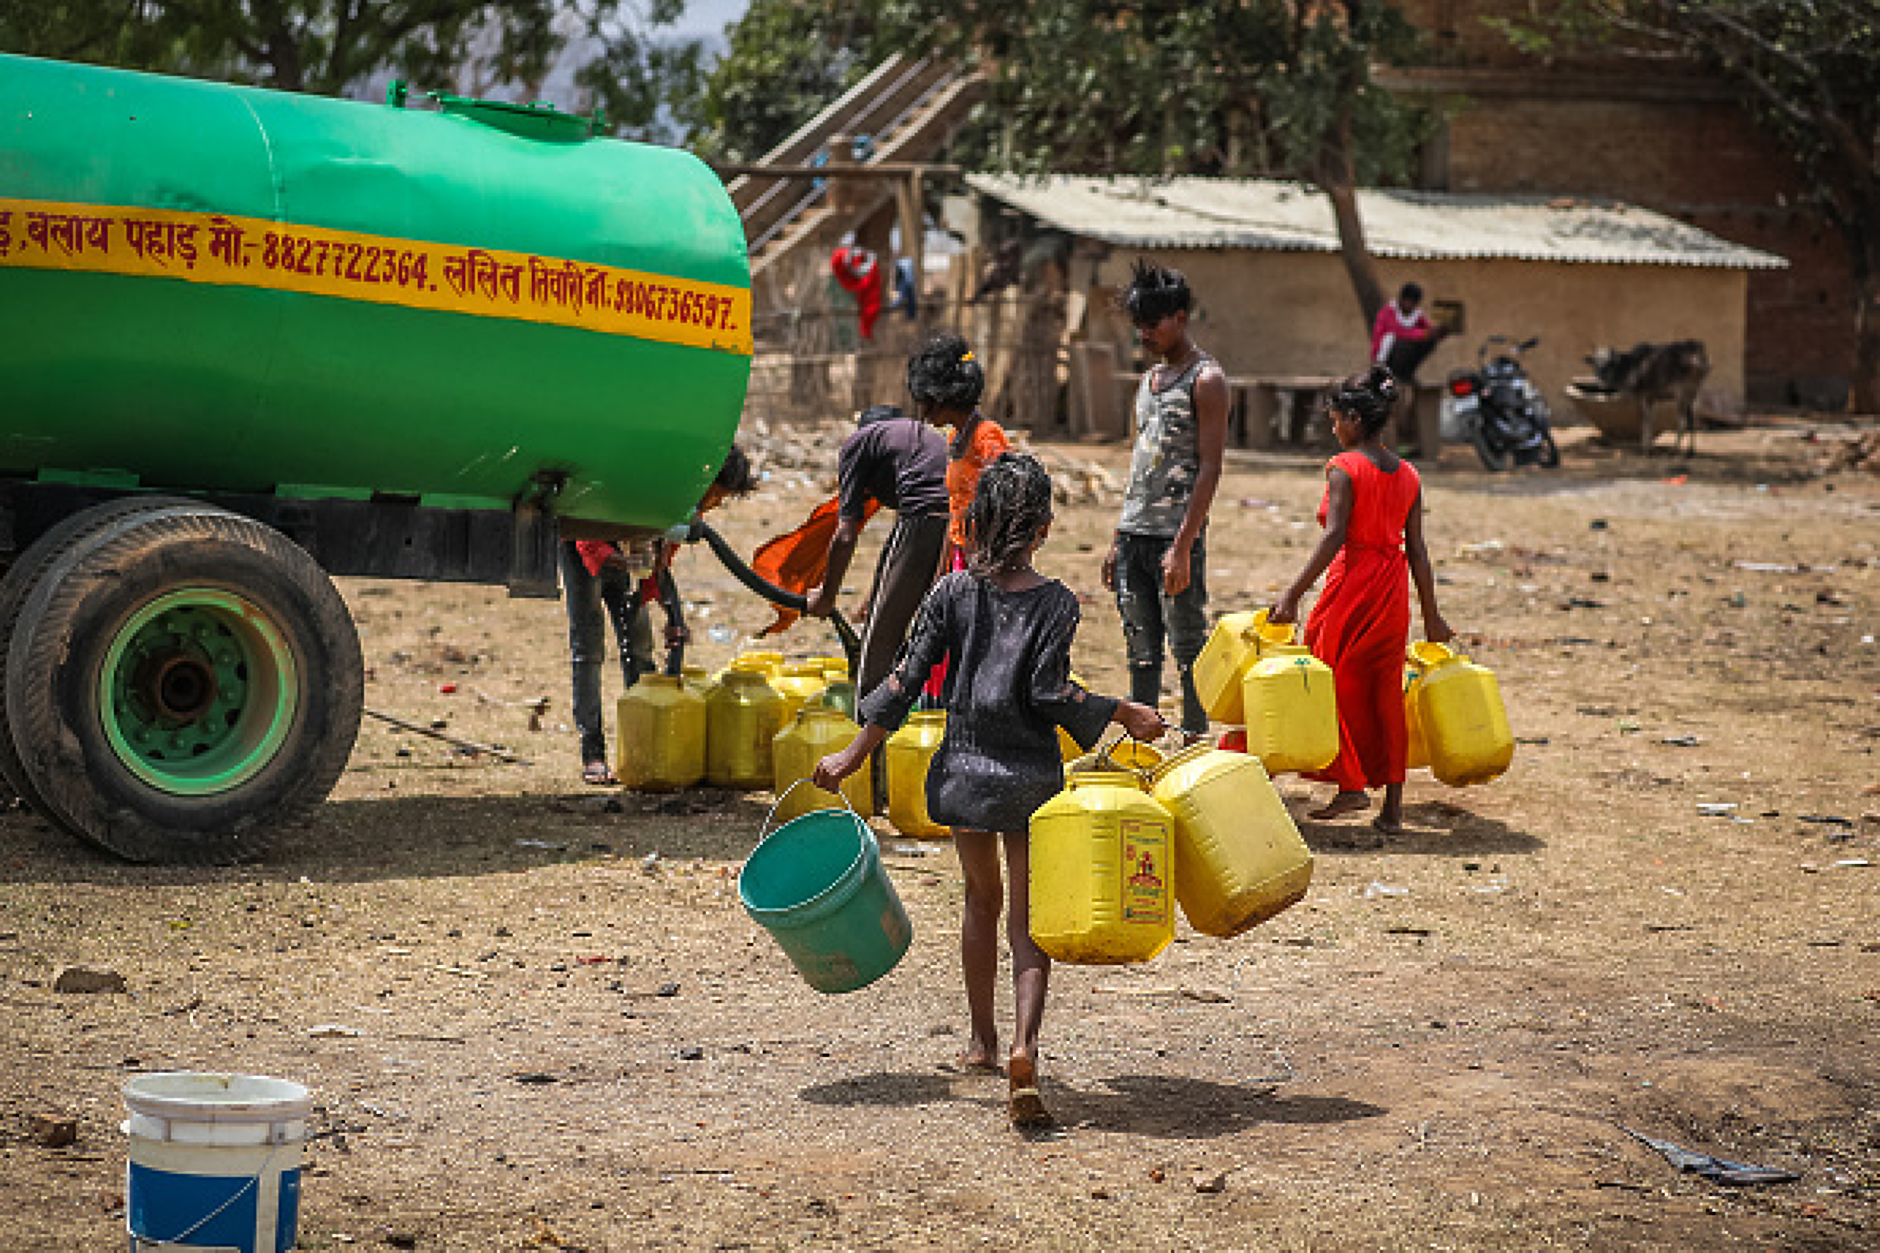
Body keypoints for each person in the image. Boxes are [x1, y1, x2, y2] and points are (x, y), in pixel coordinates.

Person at [813, 452, 1167, 1128]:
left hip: (966, 774)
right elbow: (1050, 692)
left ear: (976, 522)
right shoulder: (1057, 602)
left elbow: (904, 680)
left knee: (981, 901)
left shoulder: (951, 592)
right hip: (1028, 780)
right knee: (1027, 919)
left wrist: (854, 752)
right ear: (1043, 528)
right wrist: (1123, 710)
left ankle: (979, 1040)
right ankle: (1023, 1044)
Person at [1269, 367, 1454, 837]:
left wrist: (1292, 593)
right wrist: (1432, 615)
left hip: (1351, 583)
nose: (1333, 428)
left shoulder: (1343, 468)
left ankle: (1350, 784)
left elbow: (1334, 538)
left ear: (1353, 418)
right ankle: (1391, 808)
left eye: (1335, 420)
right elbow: (1418, 550)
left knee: (1326, 677)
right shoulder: (1410, 474)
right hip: (1391, 589)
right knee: (1384, 690)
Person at [563, 445, 756, 785]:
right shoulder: (647, 483)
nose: (713, 505)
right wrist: (627, 564)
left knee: (639, 648)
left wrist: (672, 616)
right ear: (705, 481)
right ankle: (592, 752)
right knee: (588, 649)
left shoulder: (680, 506)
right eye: (716, 496)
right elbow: (587, 540)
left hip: (629, 558)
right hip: (585, 545)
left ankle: (641, 747)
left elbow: (660, 563)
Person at [1102, 258, 1229, 742]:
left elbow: (1210, 468)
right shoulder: (1149, 381)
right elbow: (1139, 465)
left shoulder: (1207, 379)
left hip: (1175, 536)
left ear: (1179, 316)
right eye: (1139, 326)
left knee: (1188, 642)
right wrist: (1118, 536)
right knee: (1140, 649)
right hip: (1135, 533)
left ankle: (1195, 741)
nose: (1144, 335)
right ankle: (1146, 744)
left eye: (1151, 324)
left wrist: (1182, 545)